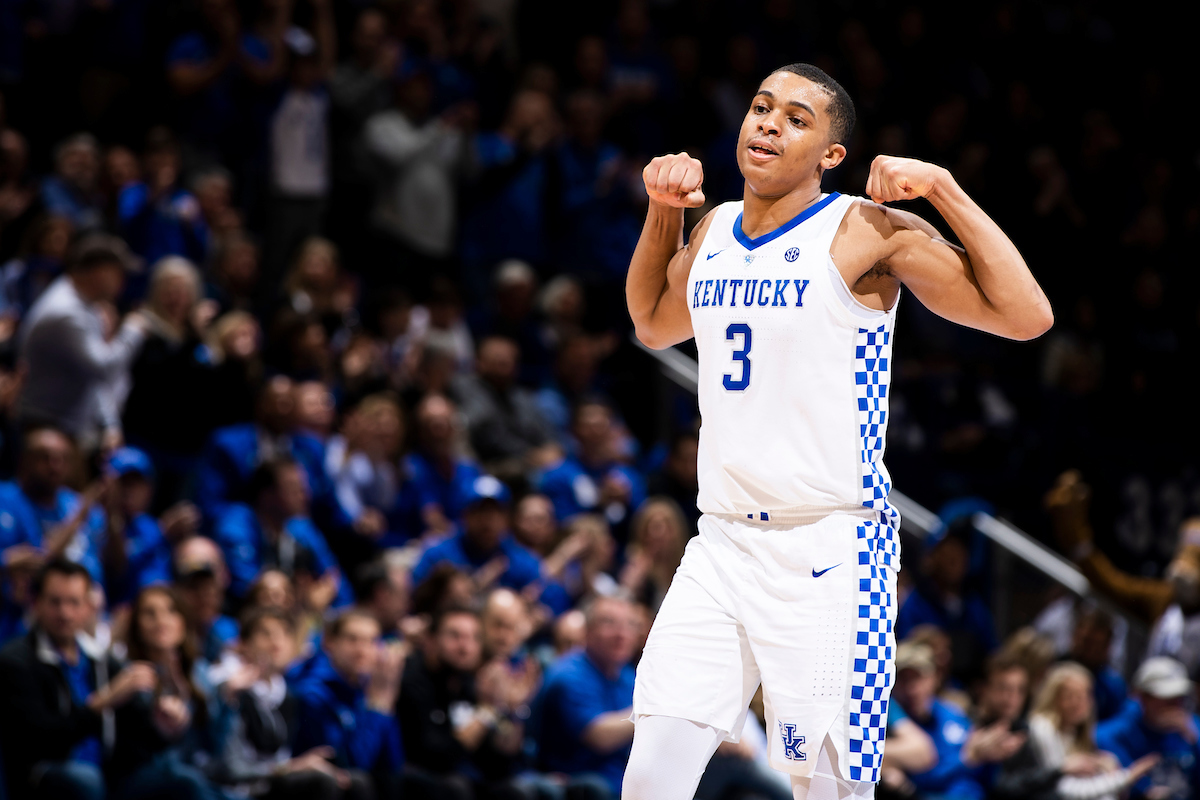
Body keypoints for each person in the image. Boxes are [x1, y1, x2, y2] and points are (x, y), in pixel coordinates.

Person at [622, 62, 1052, 799]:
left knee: (828, 791)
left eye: (795, 118)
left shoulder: (862, 230)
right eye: (760, 107)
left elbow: (1026, 315)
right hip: (722, 540)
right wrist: (665, 210)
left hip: (830, 547)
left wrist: (942, 189)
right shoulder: (717, 228)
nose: (767, 124)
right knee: (652, 775)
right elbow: (654, 324)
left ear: (831, 155)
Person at [0, 558, 154, 800]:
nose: (65, 613)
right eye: (55, 602)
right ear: (36, 603)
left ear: (88, 607)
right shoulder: (16, 661)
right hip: (47, 777)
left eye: (74, 602)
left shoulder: (99, 659)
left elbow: (137, 727)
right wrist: (101, 703)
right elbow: (41, 742)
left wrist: (166, 726)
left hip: (107, 773)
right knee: (86, 780)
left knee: (174, 776)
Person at [15, 233, 145, 451]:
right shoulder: (66, 312)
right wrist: (133, 331)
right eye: (118, 272)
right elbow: (101, 369)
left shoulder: (85, 304)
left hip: (66, 425)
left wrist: (109, 424)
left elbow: (90, 378)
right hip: (43, 426)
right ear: (100, 271)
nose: (123, 282)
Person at [1023, 662, 1158, 800]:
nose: (1078, 703)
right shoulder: (1043, 727)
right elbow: (1063, 789)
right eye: (1070, 696)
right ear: (1054, 697)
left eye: (1084, 695)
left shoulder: (1074, 731)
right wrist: (1127, 777)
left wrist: (1098, 763)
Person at [1096, 657, 1200, 800]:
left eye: (1179, 697)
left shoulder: (1193, 727)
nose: (1175, 704)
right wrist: (1143, 788)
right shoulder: (1114, 735)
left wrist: (1195, 742)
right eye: (1167, 697)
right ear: (1143, 697)